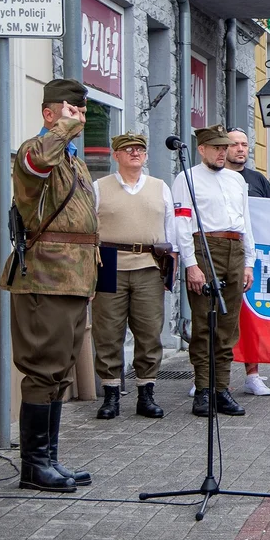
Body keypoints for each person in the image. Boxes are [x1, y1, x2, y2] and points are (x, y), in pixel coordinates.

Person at [0, 78, 96, 492]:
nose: (79, 118)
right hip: (46, 277)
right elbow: (36, 164)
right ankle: (34, 465)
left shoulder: (73, 160)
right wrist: (63, 129)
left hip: (73, 279)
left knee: (59, 373)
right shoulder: (35, 151)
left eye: (83, 112)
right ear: (49, 113)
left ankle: (50, 459)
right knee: (42, 370)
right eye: (70, 110)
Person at [172, 125, 256, 417]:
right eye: (217, 148)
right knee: (205, 323)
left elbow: (245, 222)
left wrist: (249, 262)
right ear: (202, 149)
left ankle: (222, 389)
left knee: (228, 325)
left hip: (234, 249)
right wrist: (191, 265)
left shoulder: (236, 180)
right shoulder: (187, 178)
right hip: (204, 246)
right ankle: (204, 390)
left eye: (225, 148)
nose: (223, 153)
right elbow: (182, 223)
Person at [92, 133, 177, 420]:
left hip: (149, 263)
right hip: (109, 262)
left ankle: (146, 393)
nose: (134, 153)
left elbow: (171, 230)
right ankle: (111, 395)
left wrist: (171, 267)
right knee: (107, 333)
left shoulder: (160, 187)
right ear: (115, 155)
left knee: (149, 332)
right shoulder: (99, 188)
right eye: (127, 149)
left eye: (139, 149)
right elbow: (90, 231)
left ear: (146, 155)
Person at [226, 127, 270, 397]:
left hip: (254, 258)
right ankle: (208, 374)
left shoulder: (257, 180)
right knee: (215, 317)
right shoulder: (214, 178)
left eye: (244, 144)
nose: (241, 149)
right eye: (235, 144)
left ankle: (253, 374)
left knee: (252, 318)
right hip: (220, 255)